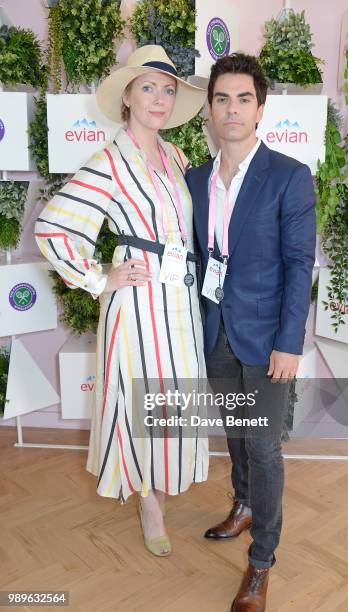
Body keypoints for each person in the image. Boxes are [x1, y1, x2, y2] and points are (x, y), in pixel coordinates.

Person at [35, 45, 209, 558]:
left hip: (179, 300)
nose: (159, 98)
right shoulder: (108, 162)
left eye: (168, 89)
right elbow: (53, 226)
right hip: (135, 305)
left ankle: (162, 479)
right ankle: (147, 497)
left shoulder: (176, 157)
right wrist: (98, 277)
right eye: (148, 87)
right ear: (128, 96)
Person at [186, 53, 316, 611]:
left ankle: (261, 563)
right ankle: (242, 506)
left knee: (263, 449)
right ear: (210, 110)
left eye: (243, 98)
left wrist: (290, 342)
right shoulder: (193, 179)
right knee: (237, 435)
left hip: (268, 341)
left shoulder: (289, 175)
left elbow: (298, 264)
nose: (231, 109)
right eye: (222, 99)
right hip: (215, 329)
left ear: (260, 108)